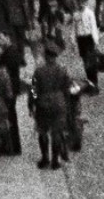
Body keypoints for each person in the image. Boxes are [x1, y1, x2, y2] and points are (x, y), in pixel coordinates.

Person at [29, 40, 76, 169]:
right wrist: (66, 104)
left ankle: (45, 158)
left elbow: (33, 90)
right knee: (57, 132)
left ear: (45, 56)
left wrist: (31, 104)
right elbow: (68, 89)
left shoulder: (38, 71)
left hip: (43, 104)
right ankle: (55, 161)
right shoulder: (63, 71)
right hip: (59, 103)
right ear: (55, 56)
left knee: (42, 131)